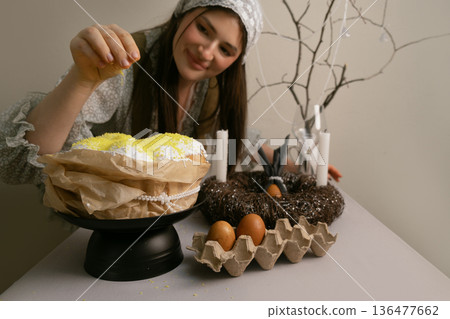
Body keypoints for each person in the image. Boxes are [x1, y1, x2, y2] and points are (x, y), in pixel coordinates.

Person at [0, 0, 340, 189]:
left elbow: (233, 141)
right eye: (203, 29)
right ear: (182, 13)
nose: (206, 52)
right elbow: (22, 163)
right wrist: (82, 79)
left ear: (236, 61)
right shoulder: (122, 64)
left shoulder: (212, 85)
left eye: (225, 49)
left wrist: (295, 163)